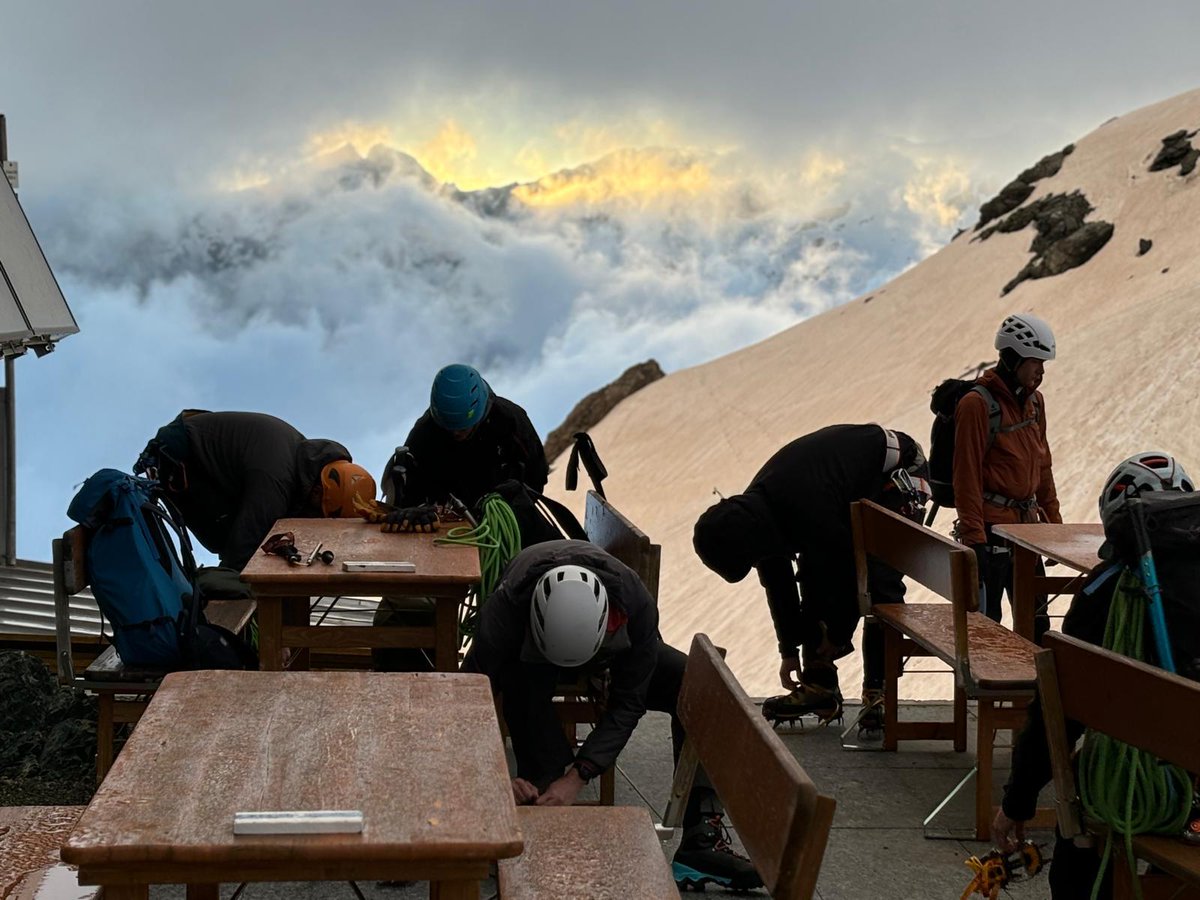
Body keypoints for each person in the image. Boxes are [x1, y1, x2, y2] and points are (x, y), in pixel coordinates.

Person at [462, 539, 763, 892]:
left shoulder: (634, 605)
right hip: (529, 664)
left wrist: (578, 776)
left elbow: (628, 702)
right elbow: (467, 696)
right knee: (523, 689)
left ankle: (701, 837)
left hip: (610, 649)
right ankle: (539, 801)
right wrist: (493, 779)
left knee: (699, 688)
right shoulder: (506, 609)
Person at [992, 451, 1197, 899]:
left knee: (1086, 844)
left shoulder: (1106, 593)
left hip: (1155, 793)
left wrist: (1017, 802)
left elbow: (1059, 714)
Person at [692, 423, 930, 728]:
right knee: (814, 575)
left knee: (877, 577)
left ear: (748, 543)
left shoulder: (803, 508)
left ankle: (878, 691)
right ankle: (821, 687)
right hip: (845, 489)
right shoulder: (757, 515)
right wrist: (788, 650)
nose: (755, 564)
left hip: (900, 470)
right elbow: (780, 587)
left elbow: (846, 572)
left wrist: (837, 635)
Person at [134, 410, 376, 572]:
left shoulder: (305, 462)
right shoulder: (276, 479)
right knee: (236, 546)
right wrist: (235, 585)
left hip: (207, 450)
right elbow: (247, 540)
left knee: (252, 539)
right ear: (317, 492)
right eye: (321, 513)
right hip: (180, 456)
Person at [954, 313, 1061, 636]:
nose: (1041, 372)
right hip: (991, 530)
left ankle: (1036, 688)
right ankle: (990, 688)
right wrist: (975, 537)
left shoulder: (1035, 403)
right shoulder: (976, 404)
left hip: (1028, 528)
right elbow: (966, 474)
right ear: (1013, 358)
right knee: (989, 629)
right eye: (1034, 363)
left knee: (1037, 623)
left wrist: (1053, 525)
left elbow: (1042, 465)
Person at [385, 363, 548, 512]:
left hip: (506, 512)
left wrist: (514, 508)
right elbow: (409, 491)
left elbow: (536, 471)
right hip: (448, 519)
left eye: (463, 427)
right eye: (448, 428)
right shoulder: (424, 433)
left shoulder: (509, 420)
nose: (456, 433)